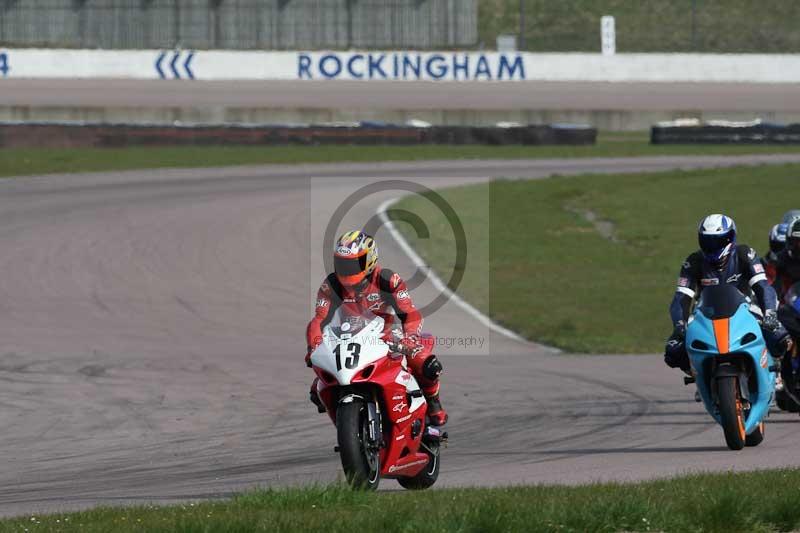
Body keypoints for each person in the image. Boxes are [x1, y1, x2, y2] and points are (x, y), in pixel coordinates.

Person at [305, 230, 448, 426]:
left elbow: (409, 312)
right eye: (343, 263)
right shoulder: (331, 285)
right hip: (346, 338)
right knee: (317, 390)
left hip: (385, 334)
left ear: (370, 260)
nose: (347, 269)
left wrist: (411, 337)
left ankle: (432, 402)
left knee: (427, 363)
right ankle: (352, 424)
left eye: (354, 263)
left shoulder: (387, 279)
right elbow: (319, 320)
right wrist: (314, 345)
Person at [664, 214, 789, 373]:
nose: (713, 246)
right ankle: (698, 372)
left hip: (747, 310)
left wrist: (770, 313)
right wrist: (679, 326)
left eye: (719, 241)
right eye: (707, 241)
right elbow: (681, 297)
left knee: (780, 337)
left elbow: (763, 286)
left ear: (731, 238)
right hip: (705, 314)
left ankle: (777, 370)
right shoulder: (693, 262)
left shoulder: (745, 254)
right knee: (673, 351)